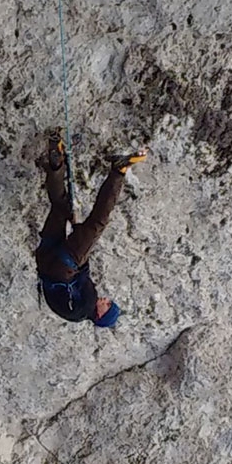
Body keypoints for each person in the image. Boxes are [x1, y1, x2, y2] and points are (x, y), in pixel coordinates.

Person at [35, 133, 147, 327]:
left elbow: (82, 270)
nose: (106, 300)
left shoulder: (86, 306)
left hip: (64, 265)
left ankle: (118, 171)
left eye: (108, 306)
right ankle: (56, 161)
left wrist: (81, 234)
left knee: (98, 223)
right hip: (46, 260)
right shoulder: (76, 312)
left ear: (100, 315)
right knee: (61, 208)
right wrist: (77, 234)